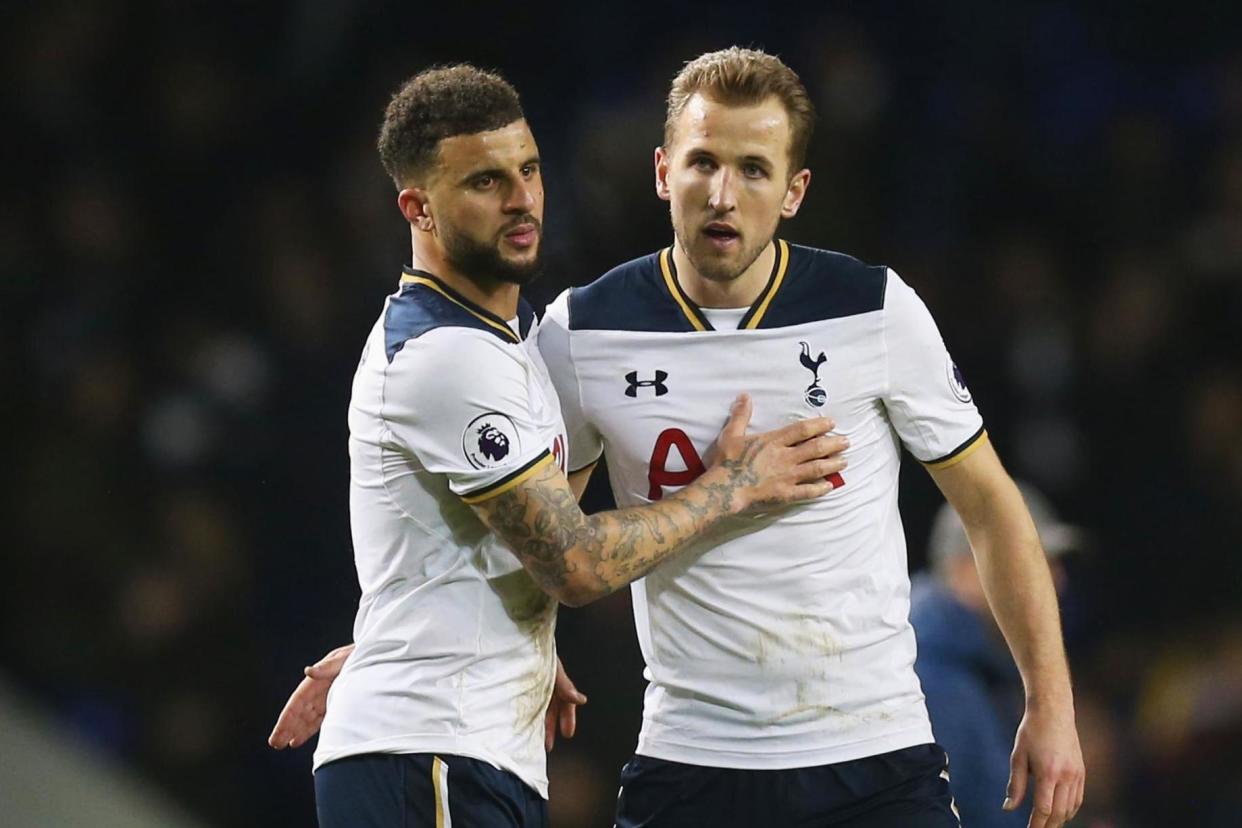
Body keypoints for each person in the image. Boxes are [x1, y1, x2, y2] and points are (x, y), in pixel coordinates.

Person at [276, 49, 1085, 828]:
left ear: (794, 191)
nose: (723, 194)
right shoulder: (577, 335)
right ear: (664, 170)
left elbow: (990, 506)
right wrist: (401, 646)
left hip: (873, 758)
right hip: (691, 768)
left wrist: (1050, 705)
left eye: (754, 169)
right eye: (702, 163)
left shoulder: (874, 310)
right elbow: (550, 536)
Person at [287, 63, 847, 828]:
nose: (521, 200)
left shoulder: (506, 344)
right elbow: (576, 562)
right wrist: (732, 486)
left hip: (457, 751)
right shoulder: (448, 357)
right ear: (417, 208)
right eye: (485, 183)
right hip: (429, 754)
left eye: (528, 170)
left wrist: (408, 640)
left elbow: (479, 553)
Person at [911, 484, 1081, 828]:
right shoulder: (930, 677)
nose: (1055, 580)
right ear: (967, 568)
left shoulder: (976, 663)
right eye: (1034, 562)